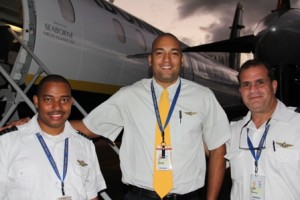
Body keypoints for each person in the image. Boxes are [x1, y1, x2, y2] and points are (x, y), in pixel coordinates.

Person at [70, 33, 231, 200]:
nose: (167, 59)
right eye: (160, 53)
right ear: (150, 59)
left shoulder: (203, 97)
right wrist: (43, 125)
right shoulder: (129, 96)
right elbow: (88, 127)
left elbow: (218, 149)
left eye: (174, 53)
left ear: (181, 60)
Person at [0, 75, 106, 200]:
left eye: (64, 100)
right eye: (49, 99)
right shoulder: (7, 142)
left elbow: (91, 195)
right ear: (36, 101)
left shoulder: (85, 144)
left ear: (71, 102)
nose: (57, 107)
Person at [225, 59, 300, 200]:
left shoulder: (297, 124)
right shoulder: (233, 130)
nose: (253, 90)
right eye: (246, 84)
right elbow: (210, 151)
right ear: (241, 91)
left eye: (260, 82)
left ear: (274, 85)